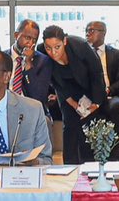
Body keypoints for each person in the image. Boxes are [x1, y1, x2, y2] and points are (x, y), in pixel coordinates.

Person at [37, 26, 110, 164]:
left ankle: (89, 167)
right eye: (49, 48)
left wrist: (95, 104)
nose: (53, 52)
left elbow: (96, 74)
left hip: (89, 88)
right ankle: (69, 167)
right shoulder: (41, 51)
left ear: (64, 41)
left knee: (88, 128)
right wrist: (73, 103)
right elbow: (54, 81)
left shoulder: (80, 47)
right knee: (70, 125)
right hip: (65, 90)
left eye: (57, 47)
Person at [87, 20, 119, 132]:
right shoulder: (83, 54)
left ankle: (118, 147)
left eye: (91, 30)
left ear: (103, 33)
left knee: (118, 106)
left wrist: (108, 90)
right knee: (81, 110)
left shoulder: (116, 54)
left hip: (110, 96)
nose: (88, 34)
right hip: (89, 97)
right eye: (86, 31)